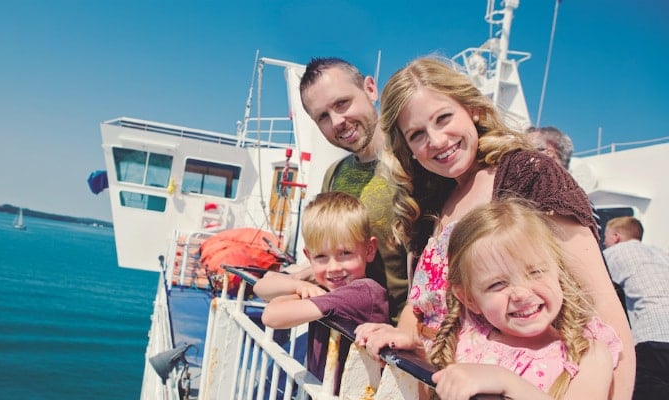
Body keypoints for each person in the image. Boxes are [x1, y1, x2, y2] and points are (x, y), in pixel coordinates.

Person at [353, 56, 635, 400]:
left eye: (444, 118)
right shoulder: (431, 202)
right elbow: (426, 307)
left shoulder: (527, 175)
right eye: (417, 135)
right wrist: (406, 341)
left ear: (471, 109)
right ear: (407, 147)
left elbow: (604, 310)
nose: (437, 140)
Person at [429, 199, 621, 399]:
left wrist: (507, 382)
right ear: (470, 300)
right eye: (497, 284)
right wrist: (407, 345)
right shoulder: (466, 337)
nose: (521, 294)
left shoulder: (588, 355)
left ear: (558, 271)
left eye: (536, 272)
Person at [294, 57, 408, 323]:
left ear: (370, 89)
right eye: (323, 116)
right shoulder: (334, 174)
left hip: (398, 342)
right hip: (345, 329)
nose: (337, 122)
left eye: (342, 104)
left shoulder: (413, 163)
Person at [254, 191, 388, 394]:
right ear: (308, 256)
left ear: (369, 250)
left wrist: (296, 287)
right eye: (322, 256)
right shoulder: (331, 287)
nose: (333, 267)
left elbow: (271, 315)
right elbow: (262, 286)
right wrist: (297, 285)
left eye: (345, 253)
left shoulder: (362, 293)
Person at [603, 216, 669, 399]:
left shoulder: (613, 253)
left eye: (606, 238)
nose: (605, 243)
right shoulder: (660, 253)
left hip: (652, 336)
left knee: (637, 384)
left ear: (616, 236)